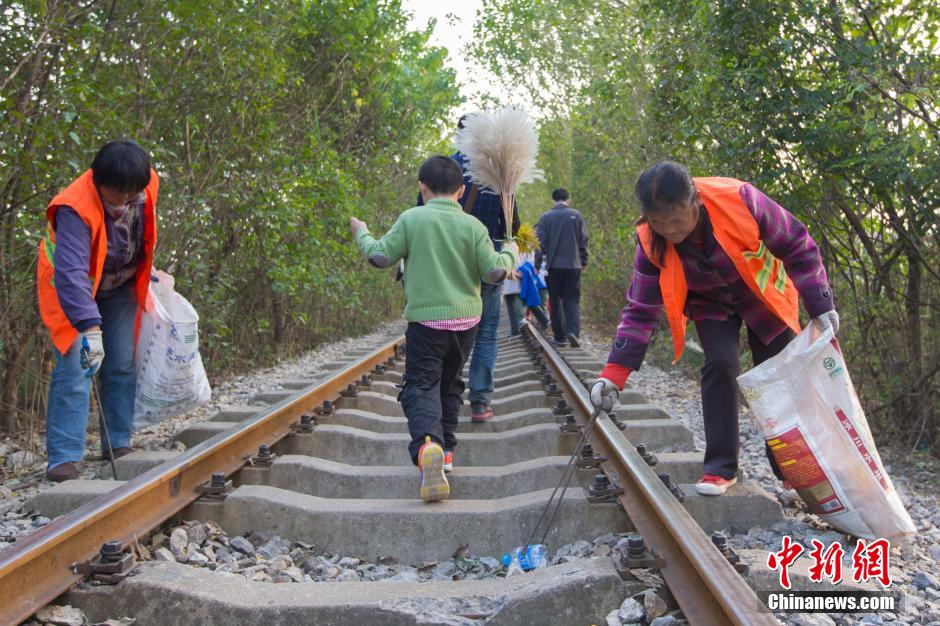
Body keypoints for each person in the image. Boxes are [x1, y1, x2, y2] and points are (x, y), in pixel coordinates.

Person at [590, 161, 838, 496]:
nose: (670, 231)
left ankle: (789, 471)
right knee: (720, 365)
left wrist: (821, 304)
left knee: (778, 375)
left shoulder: (740, 199)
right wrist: (613, 374)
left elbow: (797, 243)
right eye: (659, 223)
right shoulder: (650, 240)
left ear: (695, 202)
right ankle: (720, 469)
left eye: (677, 221)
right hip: (709, 303)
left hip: (762, 293)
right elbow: (640, 309)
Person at [351, 155, 516, 502]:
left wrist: (361, 233)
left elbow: (380, 257)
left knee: (420, 385)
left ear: (422, 188)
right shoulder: (473, 226)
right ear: (461, 190)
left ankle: (429, 445)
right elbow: (493, 273)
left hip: (426, 322)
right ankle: (448, 453)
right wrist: (510, 253)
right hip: (466, 323)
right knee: (451, 383)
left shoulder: (412, 219)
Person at [37, 139, 160, 482]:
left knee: (121, 362)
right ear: (97, 180)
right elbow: (71, 272)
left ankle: (117, 442)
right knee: (78, 365)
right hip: (74, 291)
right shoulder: (73, 207)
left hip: (121, 285)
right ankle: (63, 458)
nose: (121, 202)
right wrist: (89, 327)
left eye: (128, 195)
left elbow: (141, 230)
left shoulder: (147, 183)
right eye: (114, 196)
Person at [422, 115, 521, 423]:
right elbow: (512, 225)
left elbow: (421, 213)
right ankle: (480, 401)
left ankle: (442, 396)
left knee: (443, 330)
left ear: (458, 134)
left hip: (445, 259)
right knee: (487, 332)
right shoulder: (499, 172)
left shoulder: (442, 169)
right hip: (487, 261)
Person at [536, 188, 588, 347]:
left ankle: (559, 337)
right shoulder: (576, 215)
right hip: (573, 266)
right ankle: (573, 332)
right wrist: (584, 261)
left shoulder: (545, 217)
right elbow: (583, 240)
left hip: (553, 267)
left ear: (553, 200)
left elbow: (539, 243)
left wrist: (537, 264)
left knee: (555, 300)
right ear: (568, 199)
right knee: (571, 300)